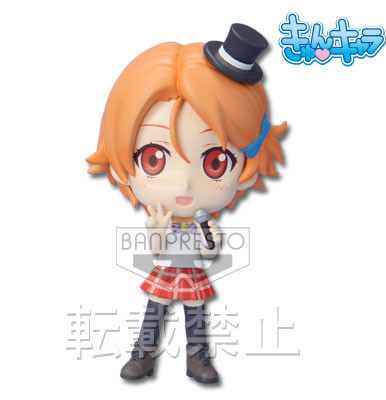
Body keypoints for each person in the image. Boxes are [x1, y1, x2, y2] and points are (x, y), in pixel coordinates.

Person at [86, 24, 286, 384]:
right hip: (166, 270)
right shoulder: (163, 215)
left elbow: (209, 253)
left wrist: (209, 236)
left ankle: (198, 359)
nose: (184, 184)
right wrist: (157, 230)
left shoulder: (202, 219)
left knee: (195, 314)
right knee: (155, 310)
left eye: (215, 163)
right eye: (154, 160)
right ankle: (142, 355)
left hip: (192, 271)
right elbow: (156, 248)